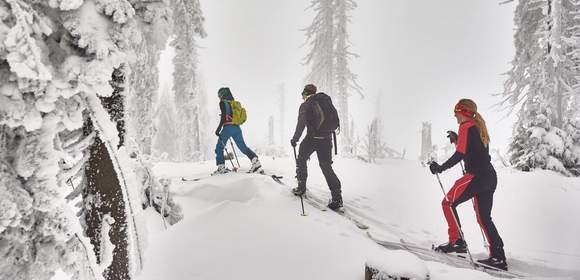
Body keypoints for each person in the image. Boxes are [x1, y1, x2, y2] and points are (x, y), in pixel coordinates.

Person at [429, 99, 507, 270]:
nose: (454, 116)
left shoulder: (465, 126)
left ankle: (457, 242)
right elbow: (474, 150)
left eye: (456, 112)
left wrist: (439, 168)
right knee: (484, 218)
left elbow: (460, 155)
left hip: (476, 177)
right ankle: (498, 256)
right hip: (489, 177)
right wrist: (458, 140)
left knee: (447, 203)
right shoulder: (478, 127)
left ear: (462, 111)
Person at [290, 84, 343, 211]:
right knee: (326, 166)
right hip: (326, 138)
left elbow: (301, 124)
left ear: (305, 93)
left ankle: (301, 187)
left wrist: (295, 139)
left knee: (301, 159)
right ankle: (337, 198)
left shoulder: (306, 105)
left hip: (312, 139)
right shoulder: (325, 100)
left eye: (303, 94)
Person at [213, 87, 261, 174]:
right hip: (237, 128)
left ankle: (221, 168)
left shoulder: (223, 103)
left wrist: (218, 129)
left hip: (228, 128)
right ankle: (256, 163)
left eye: (219, 95)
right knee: (243, 147)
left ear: (221, 95)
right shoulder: (233, 103)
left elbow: (224, 117)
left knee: (219, 147)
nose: (219, 97)